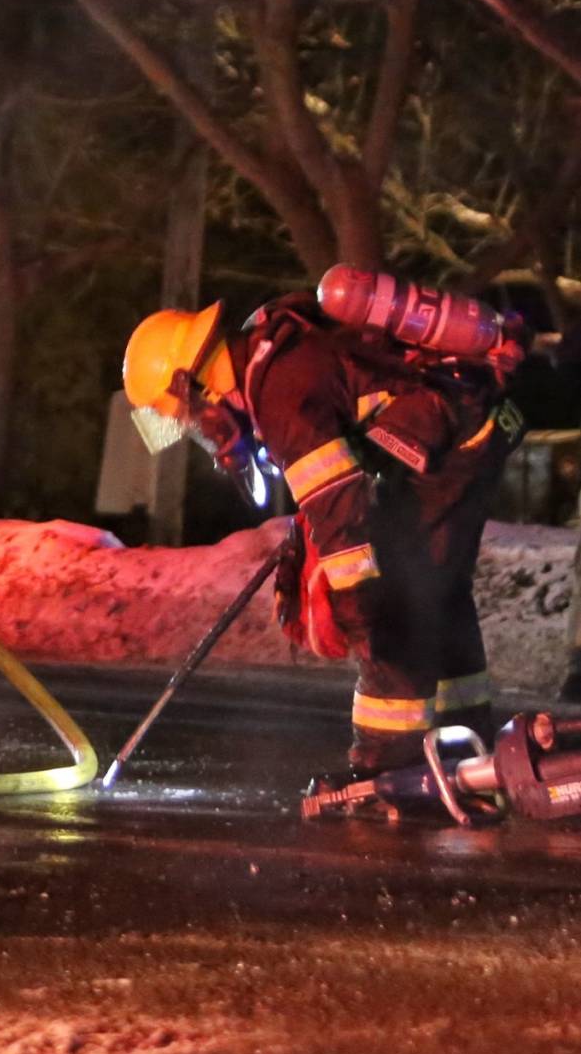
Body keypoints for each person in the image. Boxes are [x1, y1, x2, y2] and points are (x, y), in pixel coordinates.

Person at [122, 288, 521, 785]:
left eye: (186, 415)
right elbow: (340, 481)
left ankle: (391, 768)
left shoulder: (279, 389)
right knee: (434, 589)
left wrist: (356, 594)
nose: (199, 430)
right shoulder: (270, 358)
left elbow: (340, 507)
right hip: (466, 425)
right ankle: (466, 739)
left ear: (194, 382)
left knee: (395, 601)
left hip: (451, 437)